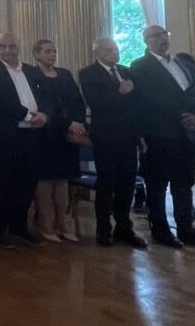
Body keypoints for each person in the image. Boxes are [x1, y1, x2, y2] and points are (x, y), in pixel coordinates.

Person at [128, 25, 195, 250]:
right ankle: (160, 231)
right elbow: (148, 99)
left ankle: (187, 230)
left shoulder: (184, 64)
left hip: (187, 135)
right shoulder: (139, 67)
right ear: (146, 41)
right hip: (159, 134)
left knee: (184, 183)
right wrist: (181, 115)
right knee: (157, 185)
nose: (161, 39)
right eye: (155, 36)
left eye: (164, 34)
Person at [0, 33, 50, 248]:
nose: (7, 50)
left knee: (27, 184)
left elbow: (47, 98)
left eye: (11, 46)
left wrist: (45, 115)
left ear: (19, 47)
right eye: (2, 46)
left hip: (33, 136)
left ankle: (19, 226)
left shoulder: (32, 71)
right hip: (7, 136)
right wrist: (29, 115)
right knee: (2, 184)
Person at [78, 38, 146, 249]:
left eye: (116, 49)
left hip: (128, 137)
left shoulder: (126, 71)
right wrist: (121, 91)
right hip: (106, 137)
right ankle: (103, 229)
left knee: (127, 184)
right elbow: (98, 104)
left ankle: (124, 227)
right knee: (107, 184)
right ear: (97, 51)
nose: (114, 53)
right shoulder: (88, 73)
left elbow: (137, 104)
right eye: (109, 50)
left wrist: (139, 136)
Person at [27, 39, 85, 243]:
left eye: (54, 51)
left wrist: (77, 123)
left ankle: (63, 224)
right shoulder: (32, 75)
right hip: (46, 133)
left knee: (62, 181)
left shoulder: (65, 74)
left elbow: (77, 101)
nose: (52, 54)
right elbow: (42, 105)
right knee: (45, 182)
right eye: (47, 51)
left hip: (67, 137)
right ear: (37, 54)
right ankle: (45, 224)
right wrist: (67, 123)